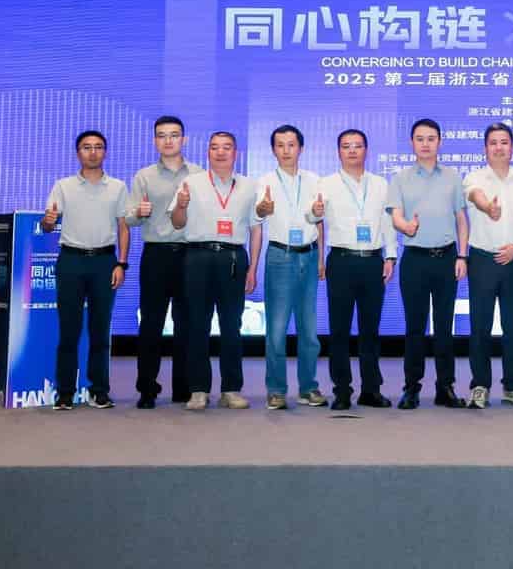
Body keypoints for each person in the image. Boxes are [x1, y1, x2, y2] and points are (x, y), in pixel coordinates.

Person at [168, 131, 262, 411]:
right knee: (197, 324)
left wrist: (253, 268)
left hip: (233, 257)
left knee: (232, 325)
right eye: (214, 148)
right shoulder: (191, 182)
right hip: (198, 256)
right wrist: (181, 205)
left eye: (226, 147)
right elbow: (177, 223)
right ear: (208, 152)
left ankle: (231, 389)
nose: (220, 152)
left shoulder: (249, 186)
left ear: (236, 153)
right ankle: (198, 389)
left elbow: (256, 229)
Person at [386, 118, 470, 410]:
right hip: (415, 260)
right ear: (412, 143)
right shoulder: (400, 178)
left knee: (444, 327)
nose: (425, 144)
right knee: (415, 327)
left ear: (439, 142)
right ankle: (411, 388)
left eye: (431, 139)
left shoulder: (452, 177)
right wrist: (405, 226)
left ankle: (445, 387)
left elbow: (461, 219)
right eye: (420, 139)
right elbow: (396, 215)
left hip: (446, 258)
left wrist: (462, 255)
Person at [43, 130, 130, 410]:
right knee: (69, 331)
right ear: (77, 152)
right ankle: (64, 393)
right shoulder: (63, 186)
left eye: (98, 147)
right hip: (71, 261)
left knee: (100, 330)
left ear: (105, 152)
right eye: (86, 147)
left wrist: (121, 263)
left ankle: (99, 391)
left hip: (104, 261)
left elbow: (123, 227)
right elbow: (48, 226)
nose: (93, 152)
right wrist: (48, 221)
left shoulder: (118, 187)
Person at [316, 128, 397, 410]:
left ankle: (371, 390)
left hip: (373, 261)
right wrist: (313, 213)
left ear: (366, 150)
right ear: (338, 151)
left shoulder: (381, 184)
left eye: (357, 145)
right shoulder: (326, 184)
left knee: (370, 330)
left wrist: (391, 256)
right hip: (341, 260)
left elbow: (387, 222)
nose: (352, 150)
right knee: (339, 330)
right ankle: (341, 390)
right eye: (346, 146)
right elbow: (313, 217)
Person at [126, 116, 201, 409]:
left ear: (184, 139)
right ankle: (147, 388)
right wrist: (139, 212)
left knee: (187, 324)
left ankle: (184, 388)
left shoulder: (198, 174)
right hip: (156, 255)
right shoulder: (143, 176)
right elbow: (129, 218)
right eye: (162, 135)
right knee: (151, 324)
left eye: (174, 135)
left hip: (190, 255)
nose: (168, 140)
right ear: (155, 140)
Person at [254, 125, 326, 410]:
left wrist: (321, 258)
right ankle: (276, 390)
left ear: (301, 148)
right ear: (273, 150)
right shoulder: (265, 181)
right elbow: (258, 214)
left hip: (309, 255)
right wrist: (263, 209)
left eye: (291, 144)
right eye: (280, 145)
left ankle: (308, 388)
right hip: (280, 257)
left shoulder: (314, 180)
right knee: (277, 328)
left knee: (309, 329)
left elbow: (317, 220)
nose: (286, 150)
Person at [463, 123, 513, 409]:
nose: (499, 147)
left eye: (504, 142)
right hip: (483, 260)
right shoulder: (474, 178)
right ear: (485, 148)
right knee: (480, 326)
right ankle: (480, 385)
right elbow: (476, 197)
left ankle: (512, 386)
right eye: (493, 142)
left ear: (512, 147)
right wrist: (488, 208)